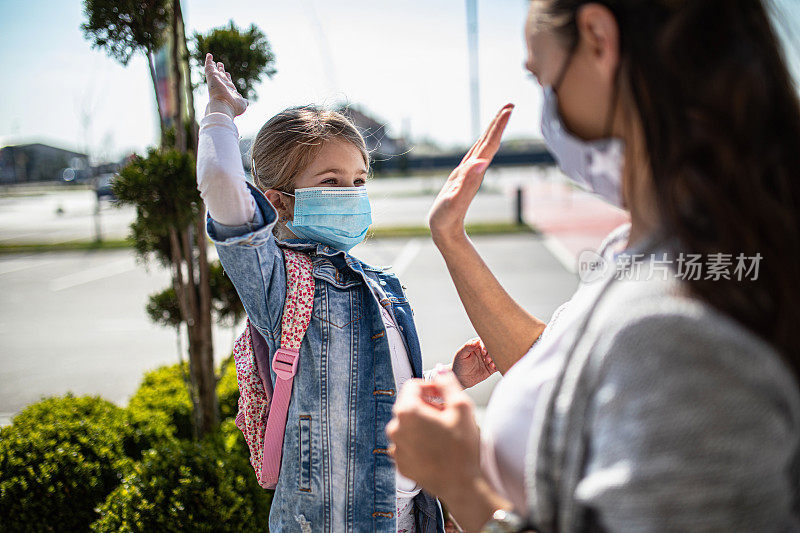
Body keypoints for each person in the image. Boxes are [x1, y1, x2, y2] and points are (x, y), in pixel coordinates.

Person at [387, 1, 800, 531]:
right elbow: (560, 366)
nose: (547, 110)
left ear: (598, 38)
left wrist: (464, 490)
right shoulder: (639, 248)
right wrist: (451, 237)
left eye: (541, 76)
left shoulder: (678, 326)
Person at [196, 54, 497, 532]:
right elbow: (221, 186)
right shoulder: (279, 284)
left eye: (358, 181)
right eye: (331, 182)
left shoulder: (380, 285)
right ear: (277, 200)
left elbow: (382, 398)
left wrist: (452, 380)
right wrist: (218, 113)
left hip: (410, 518)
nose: (351, 193)